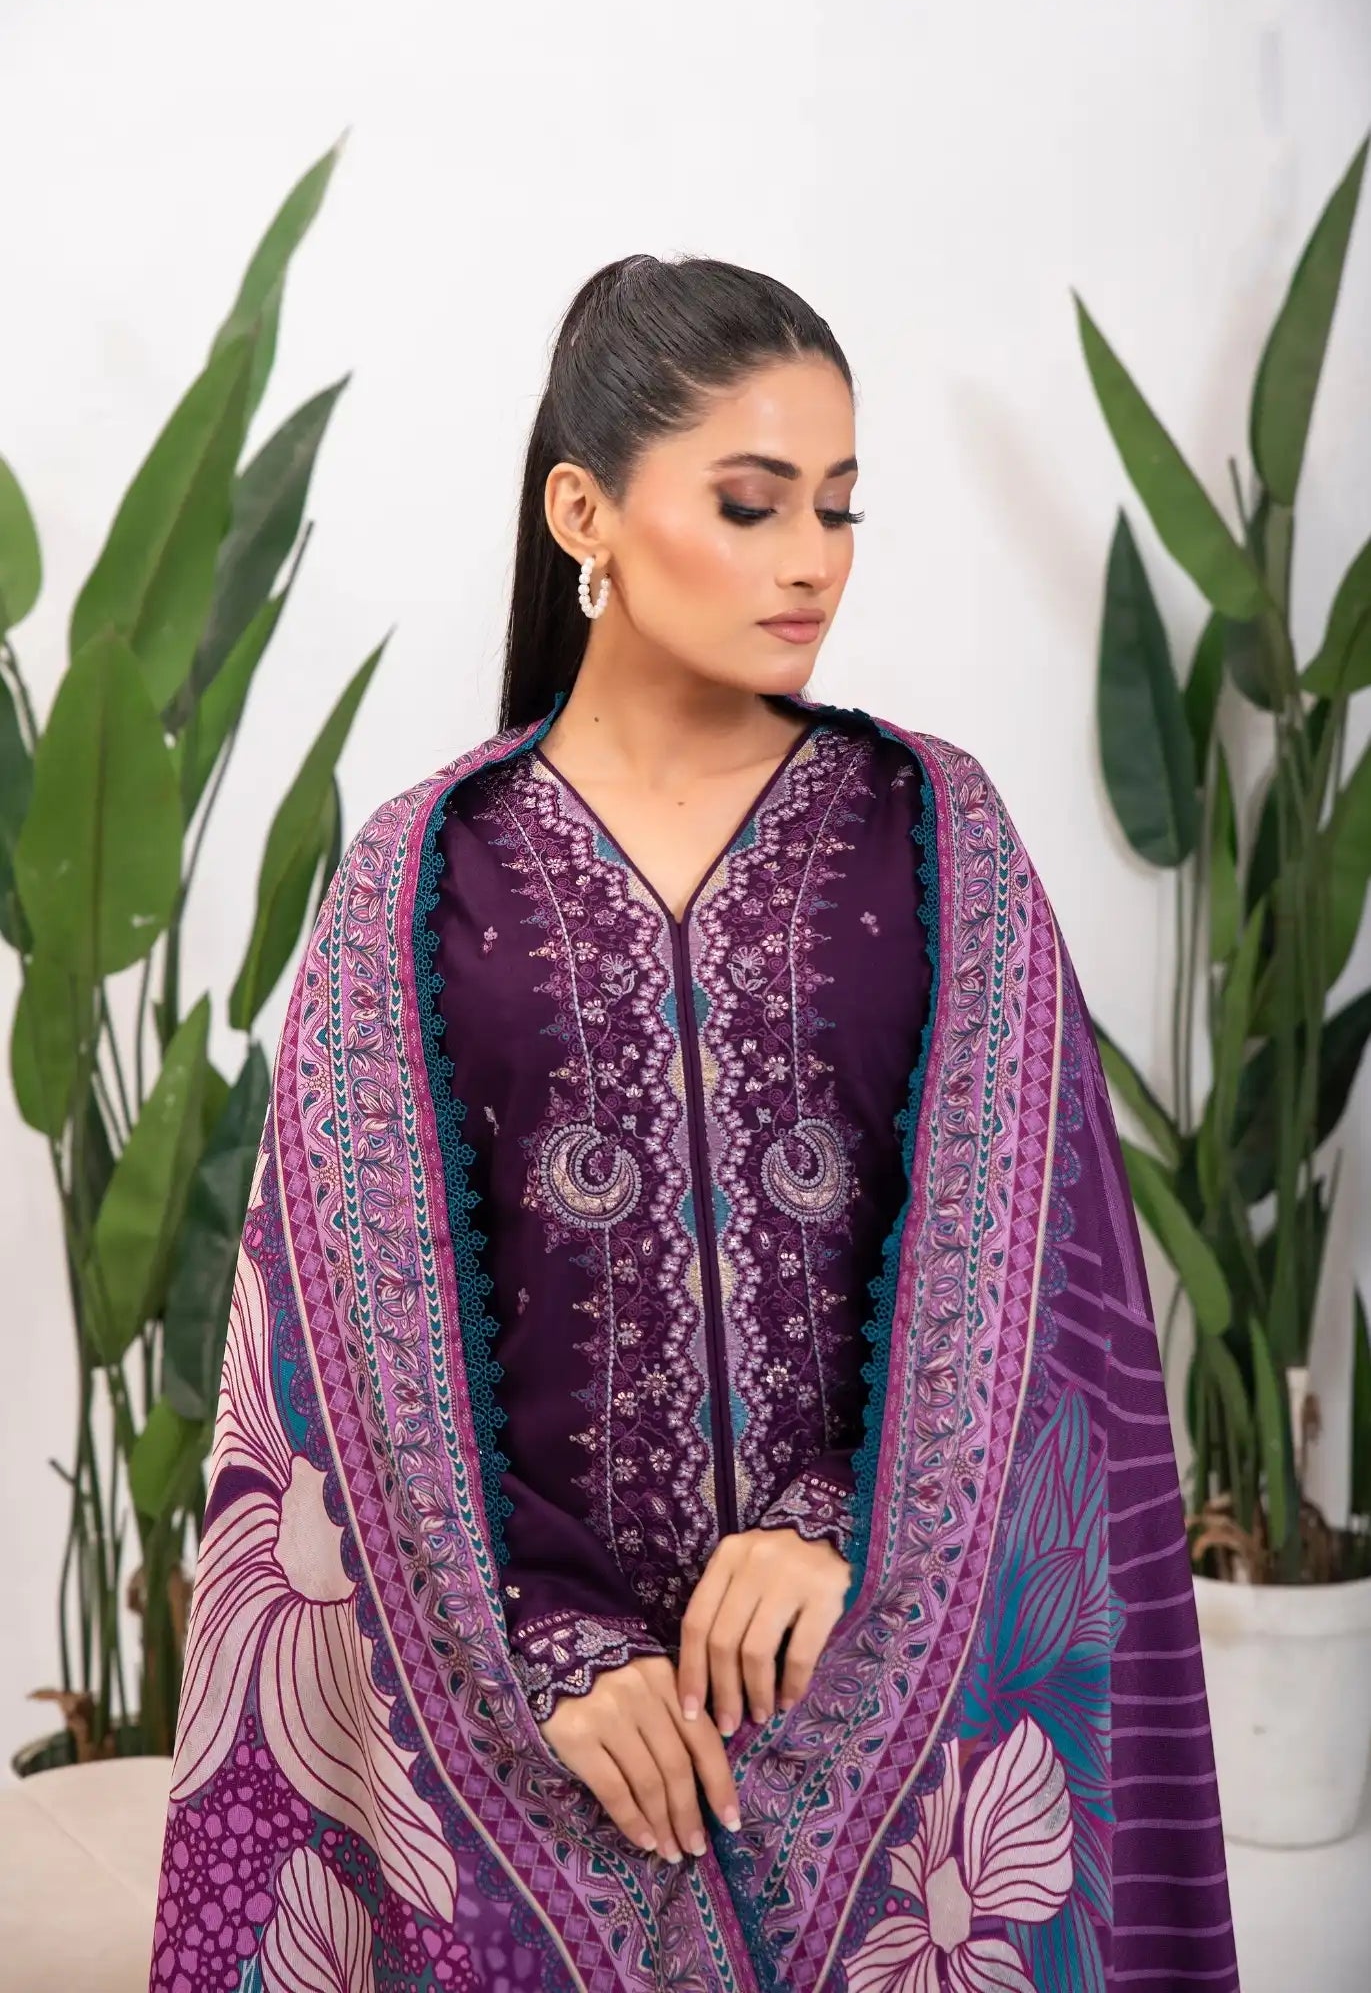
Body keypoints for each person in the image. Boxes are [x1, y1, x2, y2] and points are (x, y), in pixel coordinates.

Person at [147, 254, 1240, 1993]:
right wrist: (544, 1648)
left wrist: (834, 1521)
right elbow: (345, 1357)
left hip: (893, 1719)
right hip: (522, 1749)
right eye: (751, 503)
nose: (814, 559)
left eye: (839, 506)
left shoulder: (937, 835)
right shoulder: (419, 880)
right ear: (584, 512)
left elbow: (1033, 1276)